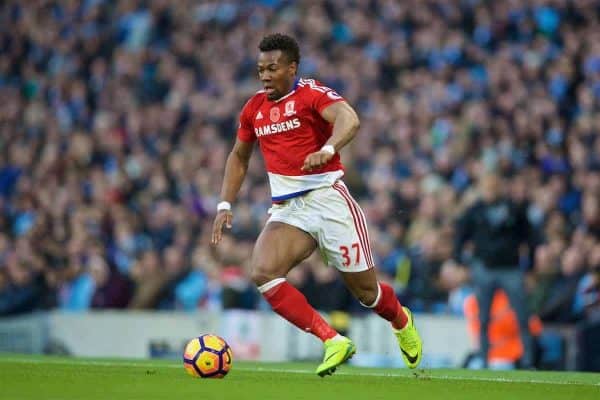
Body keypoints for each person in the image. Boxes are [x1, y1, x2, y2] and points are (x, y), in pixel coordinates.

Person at [211, 33, 422, 376]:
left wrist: (328, 149)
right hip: (289, 210)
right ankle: (332, 340)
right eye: (260, 69)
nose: (264, 75)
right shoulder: (253, 109)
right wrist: (224, 204)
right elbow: (238, 156)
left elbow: (349, 119)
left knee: (367, 294)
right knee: (263, 272)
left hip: (328, 201)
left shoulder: (310, 94)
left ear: (291, 68)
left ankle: (401, 319)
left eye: (272, 68)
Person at [453, 172, 535, 368]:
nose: (490, 190)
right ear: (481, 188)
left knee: (523, 315)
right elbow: (460, 236)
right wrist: (461, 262)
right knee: (483, 318)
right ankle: (483, 359)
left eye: (494, 186)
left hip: (511, 269)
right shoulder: (475, 211)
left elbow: (530, 237)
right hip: (484, 268)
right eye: (487, 187)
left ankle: (529, 360)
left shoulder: (514, 209)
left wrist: (530, 266)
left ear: (500, 187)